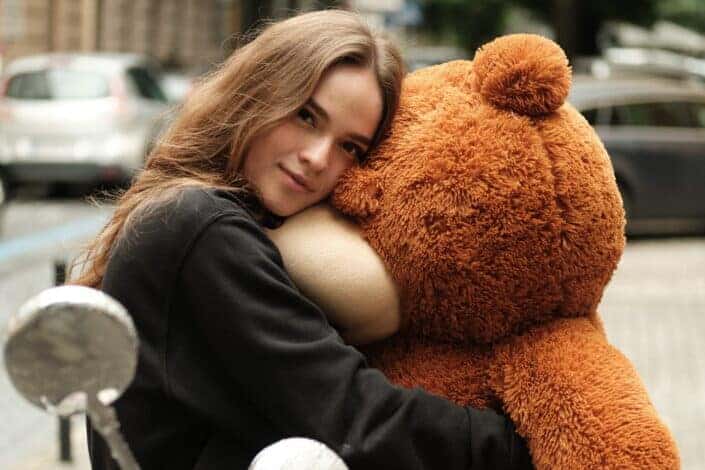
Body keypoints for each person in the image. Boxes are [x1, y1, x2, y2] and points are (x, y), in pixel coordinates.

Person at [72, 10, 532, 470]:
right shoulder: (200, 227)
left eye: (350, 147)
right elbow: (351, 417)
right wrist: (525, 445)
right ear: (257, 95)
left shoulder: (233, 222)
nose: (317, 158)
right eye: (306, 116)